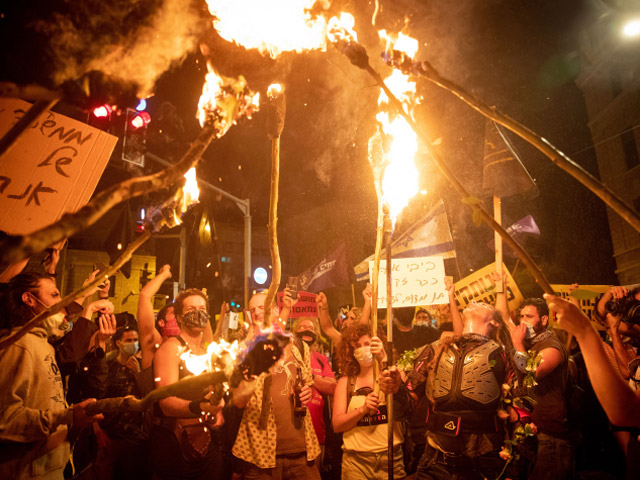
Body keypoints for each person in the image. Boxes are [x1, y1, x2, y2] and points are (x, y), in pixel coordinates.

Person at [395, 301, 522, 480]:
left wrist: (513, 469)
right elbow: (408, 401)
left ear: (494, 322)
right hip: (435, 461)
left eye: (484, 303)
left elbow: (520, 409)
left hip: (481, 464)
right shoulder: (435, 349)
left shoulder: (502, 355)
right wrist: (395, 389)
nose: (474, 302)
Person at [0, 272, 103, 479]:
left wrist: (72, 422)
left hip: (50, 466)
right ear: (29, 299)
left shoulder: (42, 344)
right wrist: (66, 416)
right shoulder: (18, 345)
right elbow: (5, 418)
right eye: (55, 295)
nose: (62, 302)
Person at [231, 291, 321, 479]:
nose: (257, 313)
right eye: (253, 309)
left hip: (303, 454)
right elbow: (238, 401)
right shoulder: (242, 351)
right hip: (261, 457)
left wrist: (308, 392)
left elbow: (309, 384)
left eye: (262, 308)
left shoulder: (297, 345)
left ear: (274, 310)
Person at [150, 288, 224, 480]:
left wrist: (218, 412)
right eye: (191, 309)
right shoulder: (171, 349)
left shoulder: (207, 352)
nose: (198, 313)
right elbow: (165, 403)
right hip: (176, 447)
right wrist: (200, 407)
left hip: (207, 445)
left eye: (202, 308)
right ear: (180, 317)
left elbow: (211, 393)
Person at [332, 324, 406, 479]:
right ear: (351, 352)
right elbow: (337, 425)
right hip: (356, 463)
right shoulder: (345, 383)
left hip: (391, 459)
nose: (363, 349)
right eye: (357, 346)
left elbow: (407, 409)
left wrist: (384, 359)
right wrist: (362, 410)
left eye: (367, 344)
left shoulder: (394, 375)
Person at [510, 297, 572, 480]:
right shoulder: (532, 344)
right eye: (521, 316)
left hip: (551, 434)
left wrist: (517, 345)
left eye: (529, 316)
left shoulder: (551, 346)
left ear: (543, 320)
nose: (523, 321)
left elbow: (532, 373)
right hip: (535, 431)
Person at [94, 326, 149, 480]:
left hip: (136, 437)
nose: (133, 344)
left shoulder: (143, 366)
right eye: (128, 340)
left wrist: (138, 374)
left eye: (135, 340)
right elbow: (95, 398)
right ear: (118, 343)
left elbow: (149, 397)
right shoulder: (107, 367)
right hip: (110, 437)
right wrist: (97, 429)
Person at [292, 317, 337, 468]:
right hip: (292, 434)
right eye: (302, 327)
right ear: (294, 332)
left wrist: (310, 377)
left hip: (317, 433)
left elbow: (332, 388)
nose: (307, 330)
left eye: (311, 328)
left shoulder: (320, 359)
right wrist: (320, 381)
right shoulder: (287, 358)